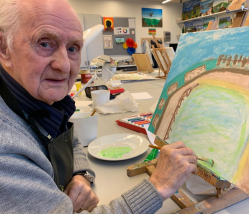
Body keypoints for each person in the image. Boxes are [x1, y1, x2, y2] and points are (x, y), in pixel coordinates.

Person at [0, 0, 197, 213]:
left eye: (73, 48)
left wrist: (81, 175)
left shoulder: (40, 101)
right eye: (45, 43)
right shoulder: (6, 149)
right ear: (4, 47)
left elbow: (69, 137)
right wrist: (161, 185)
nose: (64, 65)